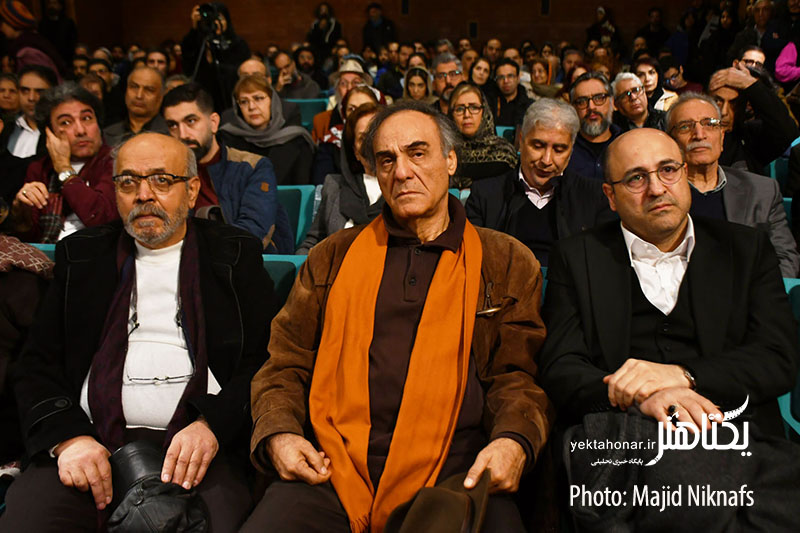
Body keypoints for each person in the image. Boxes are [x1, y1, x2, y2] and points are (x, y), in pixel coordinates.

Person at [244, 100, 552, 533]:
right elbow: (285, 363)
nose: (402, 171)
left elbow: (515, 377)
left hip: (457, 467)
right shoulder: (332, 257)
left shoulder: (505, 260)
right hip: (332, 466)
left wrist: (513, 440)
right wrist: (280, 432)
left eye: (417, 153)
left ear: (450, 160)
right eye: (386, 160)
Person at [0, 132, 274, 533]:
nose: (144, 194)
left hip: (199, 447)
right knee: (29, 523)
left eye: (162, 180)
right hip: (89, 439)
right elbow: (36, 363)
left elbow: (264, 362)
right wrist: (69, 439)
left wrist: (213, 425)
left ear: (192, 190)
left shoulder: (233, 254)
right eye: (128, 182)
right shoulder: (84, 256)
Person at [539, 127, 800, 530]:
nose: (657, 188)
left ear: (685, 173)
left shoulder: (746, 248)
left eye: (667, 170)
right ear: (610, 196)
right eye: (636, 178)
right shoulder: (577, 257)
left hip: (736, 432)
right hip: (625, 438)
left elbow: (778, 358)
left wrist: (682, 376)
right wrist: (640, 395)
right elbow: (561, 368)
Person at [466, 97, 613, 267]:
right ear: (521, 141)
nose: (546, 160)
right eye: (538, 146)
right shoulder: (485, 195)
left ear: (571, 150)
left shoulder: (594, 197)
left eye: (559, 149)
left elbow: (601, 265)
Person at [666, 92, 799, 277]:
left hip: (752, 292)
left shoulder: (762, 191)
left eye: (709, 124)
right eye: (685, 127)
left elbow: (786, 258)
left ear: (721, 138)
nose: (699, 134)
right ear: (671, 142)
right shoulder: (659, 195)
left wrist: (763, 292)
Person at [163, 82, 294, 253]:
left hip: (241, 260)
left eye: (191, 121)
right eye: (173, 125)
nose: (182, 134)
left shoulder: (252, 167)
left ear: (214, 123)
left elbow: (252, 232)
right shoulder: (166, 174)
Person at [9, 82, 116, 244]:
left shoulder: (115, 162)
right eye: (66, 122)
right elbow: (28, 239)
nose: (80, 130)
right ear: (49, 133)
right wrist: (21, 213)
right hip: (45, 254)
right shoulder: (39, 169)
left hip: (95, 252)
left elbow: (101, 218)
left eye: (87, 118)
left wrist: (64, 169)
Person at [298, 103, 383, 253]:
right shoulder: (334, 186)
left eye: (376, 135)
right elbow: (313, 242)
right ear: (355, 152)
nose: (370, 144)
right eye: (363, 138)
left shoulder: (404, 188)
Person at [218, 74, 314, 187]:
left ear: (272, 101)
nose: (251, 107)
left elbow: (302, 189)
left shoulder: (297, 139)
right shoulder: (227, 140)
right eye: (244, 102)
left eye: (258, 98)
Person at [709, 63, 800, 173]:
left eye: (734, 103)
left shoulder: (752, 137)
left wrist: (750, 84)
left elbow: (787, 131)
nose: (723, 112)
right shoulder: (694, 135)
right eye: (717, 101)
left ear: (743, 107)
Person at [181, 2, 250, 112]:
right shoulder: (198, 43)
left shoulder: (238, 43)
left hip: (229, 97)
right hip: (204, 97)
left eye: (220, 18)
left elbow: (240, 71)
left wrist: (215, 63)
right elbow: (189, 66)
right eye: (211, 19)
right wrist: (195, 28)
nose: (215, 22)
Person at [447, 82, 517, 189]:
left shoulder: (504, 153)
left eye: (474, 107)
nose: (467, 115)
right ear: (451, 114)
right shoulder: (444, 154)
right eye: (459, 109)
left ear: (484, 112)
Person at [567, 71, 621, 180]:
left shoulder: (626, 143)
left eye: (599, 98)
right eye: (581, 101)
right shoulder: (564, 147)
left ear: (613, 102)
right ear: (573, 108)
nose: (591, 107)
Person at [103, 66, 170, 147]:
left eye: (149, 90)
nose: (139, 95)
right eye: (134, 87)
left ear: (161, 96)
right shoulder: (106, 135)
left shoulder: (171, 134)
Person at [0, 0, 67, 79]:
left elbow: (41, 81)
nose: (1, 28)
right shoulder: (30, 41)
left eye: (2, 24)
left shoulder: (27, 52)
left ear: (12, 23)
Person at [487, 58, 533, 128]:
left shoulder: (529, 106)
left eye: (510, 76)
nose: (506, 81)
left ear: (518, 78)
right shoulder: (488, 103)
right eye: (501, 77)